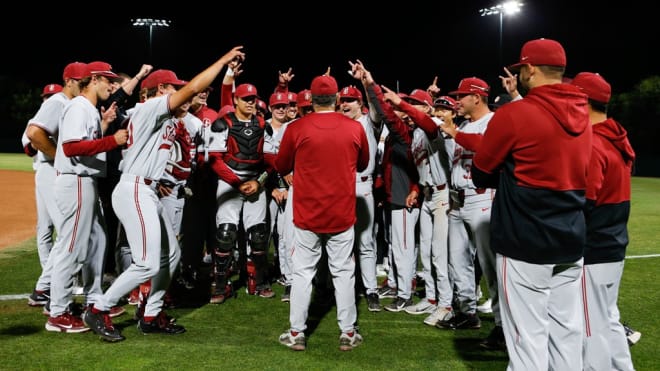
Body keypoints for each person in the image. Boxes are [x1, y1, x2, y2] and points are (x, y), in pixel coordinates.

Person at [83, 46, 245, 342]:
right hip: (134, 188)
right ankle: (99, 308)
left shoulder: (169, 118)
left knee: (171, 256)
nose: (183, 93)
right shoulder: (150, 108)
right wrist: (222, 61)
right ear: (160, 89)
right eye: (175, 88)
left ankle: (150, 313)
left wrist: (230, 77)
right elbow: (196, 87)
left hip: (148, 188)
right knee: (146, 261)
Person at [471, 38, 592, 370]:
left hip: (525, 240)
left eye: (522, 67)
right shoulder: (584, 110)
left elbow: (480, 173)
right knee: (567, 337)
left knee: (527, 342)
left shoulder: (516, 113)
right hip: (571, 238)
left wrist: (508, 175)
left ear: (531, 69)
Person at [276, 74, 369, 351]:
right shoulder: (354, 127)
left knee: (303, 273)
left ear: (312, 100)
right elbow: (363, 165)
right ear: (337, 99)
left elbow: (281, 165)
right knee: (343, 272)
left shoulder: (296, 127)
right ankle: (348, 333)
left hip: (307, 212)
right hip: (341, 212)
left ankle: (296, 333)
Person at [46, 61, 127, 333]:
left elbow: (85, 143)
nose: (112, 85)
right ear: (92, 80)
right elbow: (71, 148)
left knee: (97, 242)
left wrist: (103, 126)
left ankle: (94, 299)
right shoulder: (78, 107)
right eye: (108, 80)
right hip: (77, 181)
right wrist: (112, 140)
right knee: (73, 248)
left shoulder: (89, 110)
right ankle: (57, 312)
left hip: (84, 180)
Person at [571, 72, 636, 371]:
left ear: (583, 101)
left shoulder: (594, 143)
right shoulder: (617, 136)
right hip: (613, 244)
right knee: (607, 319)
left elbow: (585, 202)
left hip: (594, 247)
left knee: (590, 328)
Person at [435, 77, 496, 337]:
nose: (457, 101)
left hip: (482, 198)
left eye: (461, 96)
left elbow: (487, 149)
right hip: (457, 199)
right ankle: (467, 312)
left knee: (490, 264)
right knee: (457, 260)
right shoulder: (464, 124)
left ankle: (503, 324)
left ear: (477, 97)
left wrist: (456, 134)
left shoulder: (493, 121)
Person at [24, 69, 86, 310]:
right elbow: (30, 138)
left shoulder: (68, 103)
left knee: (62, 231)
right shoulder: (57, 102)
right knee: (68, 232)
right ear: (69, 82)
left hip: (51, 171)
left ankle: (46, 288)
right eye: (82, 82)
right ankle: (45, 288)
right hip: (51, 171)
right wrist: (59, 157)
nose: (85, 85)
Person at [341, 64, 384, 312]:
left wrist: (367, 84)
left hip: (363, 187)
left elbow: (378, 108)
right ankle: (342, 287)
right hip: (341, 187)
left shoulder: (369, 122)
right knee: (341, 241)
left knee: (365, 242)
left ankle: (370, 290)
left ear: (360, 103)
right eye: (343, 100)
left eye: (350, 100)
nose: (345, 104)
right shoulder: (337, 122)